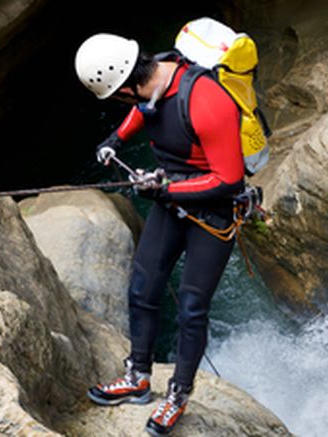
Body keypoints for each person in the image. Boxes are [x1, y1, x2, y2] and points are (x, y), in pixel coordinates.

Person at [74, 32, 244, 436]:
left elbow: (229, 179)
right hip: (171, 200)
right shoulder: (146, 88)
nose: (121, 104)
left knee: (191, 308)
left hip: (214, 211)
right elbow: (144, 111)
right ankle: (137, 376)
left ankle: (178, 395)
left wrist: (165, 190)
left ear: (128, 85)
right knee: (142, 289)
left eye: (119, 96)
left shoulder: (205, 98)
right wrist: (117, 138)